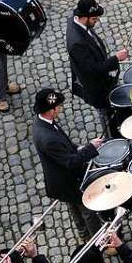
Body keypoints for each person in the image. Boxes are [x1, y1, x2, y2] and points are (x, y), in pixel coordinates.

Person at [31, 87, 105, 237]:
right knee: (87, 209)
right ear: (51, 110)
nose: (60, 108)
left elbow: (65, 146)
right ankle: (98, 239)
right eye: (58, 106)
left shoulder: (44, 122)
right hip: (67, 180)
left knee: (74, 206)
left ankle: (83, 233)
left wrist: (78, 148)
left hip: (61, 180)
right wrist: (91, 148)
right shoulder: (48, 138)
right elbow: (71, 162)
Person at [67, 0, 127, 135]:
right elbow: (92, 69)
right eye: (94, 19)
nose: (97, 21)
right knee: (106, 115)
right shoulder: (76, 43)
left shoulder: (77, 21)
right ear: (83, 18)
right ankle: (112, 139)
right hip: (95, 88)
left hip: (101, 78)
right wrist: (115, 59)